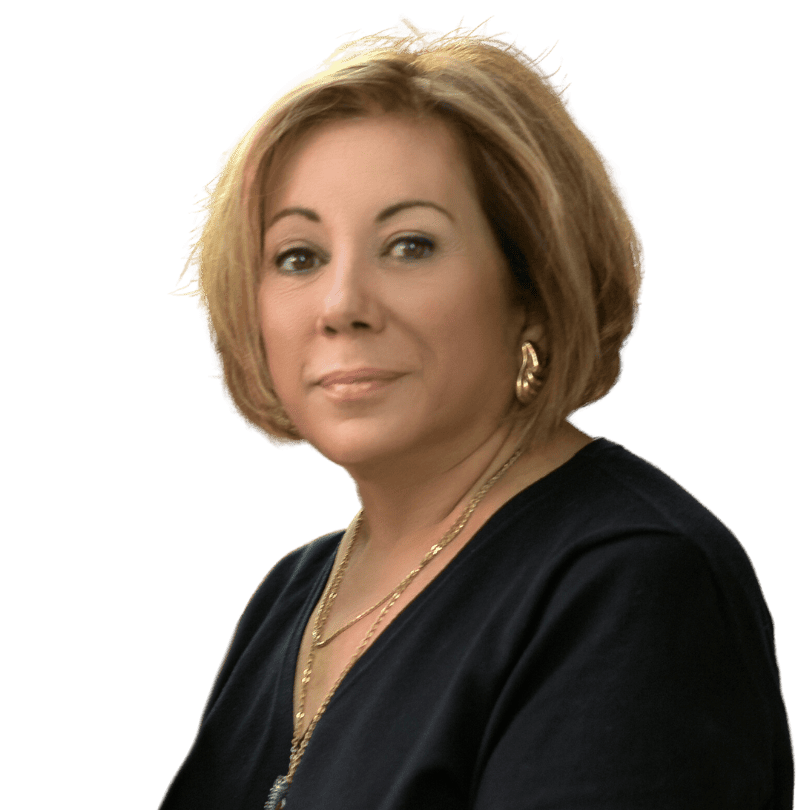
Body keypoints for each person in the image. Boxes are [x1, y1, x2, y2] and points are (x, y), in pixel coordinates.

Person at [159, 14, 794, 810]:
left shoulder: (632, 581)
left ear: (531, 287)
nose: (342, 304)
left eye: (410, 245)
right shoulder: (293, 597)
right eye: (299, 256)